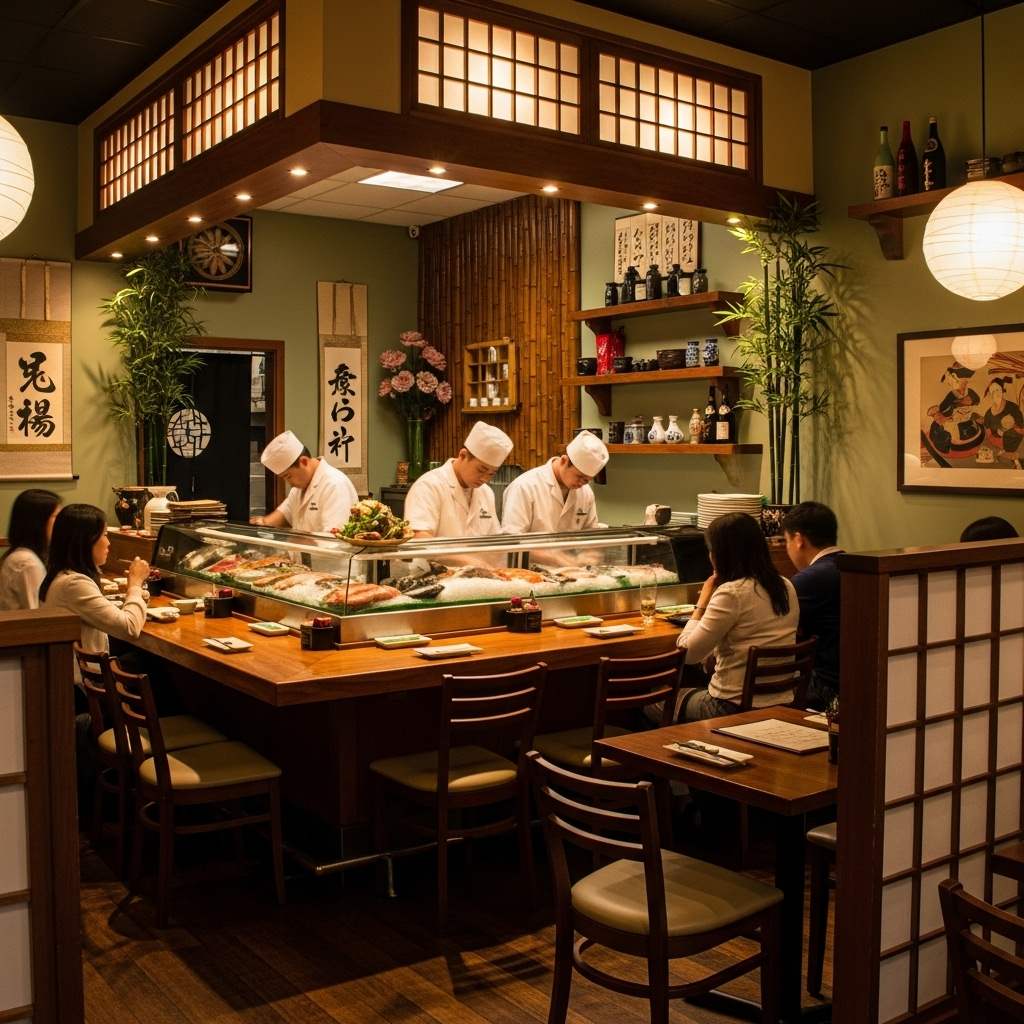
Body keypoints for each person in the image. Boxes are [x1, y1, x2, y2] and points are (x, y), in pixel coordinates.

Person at [673, 512, 799, 721]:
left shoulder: (732, 593)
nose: (710, 556)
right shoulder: (786, 585)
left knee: (653, 701)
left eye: (711, 550)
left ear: (722, 554)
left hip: (729, 707)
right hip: (781, 704)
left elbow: (687, 654)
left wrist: (702, 602)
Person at [40, 504, 149, 659]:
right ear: (86, 540)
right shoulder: (74, 584)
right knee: (155, 665)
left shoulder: (61, 574)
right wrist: (135, 583)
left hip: (80, 671)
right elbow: (130, 628)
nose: (109, 542)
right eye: (104, 534)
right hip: (83, 679)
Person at [404, 421, 513, 539]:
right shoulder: (429, 485)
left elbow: (492, 540)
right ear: (463, 455)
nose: (485, 479)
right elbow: (419, 536)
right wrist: (467, 558)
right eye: (481, 470)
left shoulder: (486, 492)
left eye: (491, 473)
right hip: (434, 559)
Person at [782, 501, 842, 710]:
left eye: (786, 540)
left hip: (824, 686)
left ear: (798, 539)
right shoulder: (852, 565)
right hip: (853, 682)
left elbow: (771, 621)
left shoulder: (809, 579)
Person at [250, 430, 359, 533]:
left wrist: (299, 541)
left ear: (304, 462)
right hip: (305, 553)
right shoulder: (298, 489)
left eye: (288, 476)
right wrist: (264, 522)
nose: (289, 483)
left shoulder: (334, 485)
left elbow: (335, 537)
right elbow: (285, 514)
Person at [500, 431, 608, 534]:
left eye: (587, 480)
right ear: (563, 461)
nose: (582, 484)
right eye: (579, 476)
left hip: (571, 553)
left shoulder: (586, 492)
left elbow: (591, 536)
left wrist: (591, 553)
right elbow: (513, 540)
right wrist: (553, 555)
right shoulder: (525, 487)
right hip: (530, 554)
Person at [0, 489, 61, 610]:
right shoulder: (28, 564)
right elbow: (36, 616)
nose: (61, 523)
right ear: (38, 521)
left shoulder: (24, 555)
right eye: (56, 516)